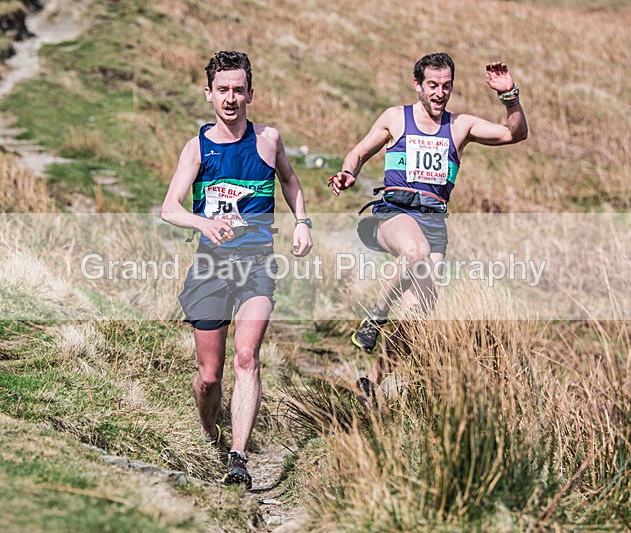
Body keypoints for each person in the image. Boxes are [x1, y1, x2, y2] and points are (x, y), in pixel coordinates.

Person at [329, 52, 528, 400]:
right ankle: (374, 318)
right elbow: (359, 153)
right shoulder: (395, 118)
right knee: (414, 250)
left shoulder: (460, 125)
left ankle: (370, 382)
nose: (439, 93)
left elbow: (515, 134)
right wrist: (349, 174)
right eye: (432, 85)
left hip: (434, 223)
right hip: (393, 213)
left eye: (446, 86)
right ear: (417, 85)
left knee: (416, 318)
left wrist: (509, 95)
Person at [161, 50, 313, 488]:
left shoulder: (269, 139)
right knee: (210, 376)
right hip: (210, 266)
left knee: (247, 358)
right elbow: (170, 207)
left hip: (257, 265)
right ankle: (209, 431)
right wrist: (203, 221)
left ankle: (238, 458)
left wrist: (301, 222)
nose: (231, 98)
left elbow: (289, 180)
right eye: (223, 90)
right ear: (208, 93)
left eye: (239, 90)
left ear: (251, 93)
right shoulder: (197, 148)